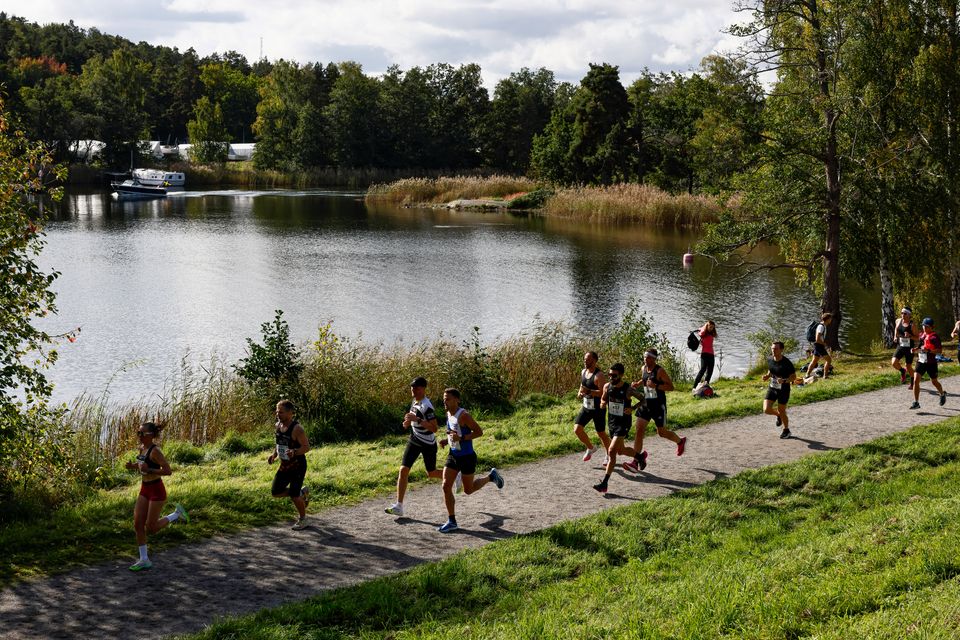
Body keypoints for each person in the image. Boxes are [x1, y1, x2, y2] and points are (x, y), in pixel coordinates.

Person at [437, 388, 504, 533]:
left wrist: (461, 438)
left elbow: (479, 432)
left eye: (448, 399)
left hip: (467, 457)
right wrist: (446, 440)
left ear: (457, 400)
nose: (445, 402)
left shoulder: (464, 416)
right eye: (444, 399)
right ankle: (452, 520)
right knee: (445, 486)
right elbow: (453, 433)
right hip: (453, 455)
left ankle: (491, 477)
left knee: (468, 490)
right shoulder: (448, 413)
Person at [125, 422, 189, 572]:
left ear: (151, 435)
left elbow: (168, 471)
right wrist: (132, 466)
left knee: (151, 528)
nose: (139, 436)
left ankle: (177, 514)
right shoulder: (141, 448)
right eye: (138, 433)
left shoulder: (155, 451)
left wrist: (151, 469)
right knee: (137, 524)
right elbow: (142, 465)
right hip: (144, 489)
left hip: (157, 490)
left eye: (142, 434)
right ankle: (144, 559)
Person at [386, 377, 442, 517]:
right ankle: (399, 506)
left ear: (423, 389)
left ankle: (455, 474)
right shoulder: (415, 401)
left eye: (416, 388)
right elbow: (413, 417)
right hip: (415, 440)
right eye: (412, 388)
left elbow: (434, 428)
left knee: (432, 473)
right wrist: (407, 423)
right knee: (403, 470)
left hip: (428, 443)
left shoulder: (427, 406)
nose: (413, 390)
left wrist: (417, 420)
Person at [622, 349, 684, 474]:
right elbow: (645, 380)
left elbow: (671, 387)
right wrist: (637, 383)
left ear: (654, 359)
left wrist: (656, 386)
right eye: (645, 357)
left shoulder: (659, 371)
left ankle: (680, 441)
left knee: (661, 432)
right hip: (646, 404)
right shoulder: (643, 368)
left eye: (649, 358)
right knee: (639, 430)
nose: (646, 359)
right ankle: (636, 460)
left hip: (658, 406)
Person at [593, 363, 643, 494]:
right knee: (621, 451)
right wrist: (603, 404)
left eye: (614, 375)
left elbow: (644, 399)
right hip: (612, 423)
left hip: (624, 423)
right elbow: (603, 399)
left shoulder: (628, 389)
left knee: (612, 450)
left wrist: (632, 408)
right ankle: (640, 456)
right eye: (609, 375)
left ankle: (604, 483)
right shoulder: (607, 386)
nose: (611, 377)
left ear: (621, 375)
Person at [267, 399, 311, 530]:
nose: (277, 414)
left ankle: (303, 519)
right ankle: (302, 494)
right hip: (285, 465)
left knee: (293, 494)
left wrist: (295, 452)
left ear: (290, 413)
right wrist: (274, 455)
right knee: (275, 492)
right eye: (276, 411)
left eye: (281, 412)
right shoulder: (277, 426)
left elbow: (306, 447)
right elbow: (279, 443)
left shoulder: (297, 429)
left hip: (298, 465)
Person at [573, 351, 610, 463]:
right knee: (577, 429)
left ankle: (609, 455)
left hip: (598, 408)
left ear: (594, 361)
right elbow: (582, 385)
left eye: (588, 359)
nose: (585, 361)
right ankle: (590, 447)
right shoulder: (583, 371)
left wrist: (590, 391)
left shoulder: (599, 375)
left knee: (601, 433)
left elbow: (603, 393)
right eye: (584, 359)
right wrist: (580, 393)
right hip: (587, 406)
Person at [762, 341, 797, 439]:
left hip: (784, 389)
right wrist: (767, 376)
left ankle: (786, 430)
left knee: (782, 410)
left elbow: (793, 377)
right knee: (766, 409)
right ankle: (778, 415)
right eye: (772, 348)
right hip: (772, 388)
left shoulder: (787, 363)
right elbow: (771, 369)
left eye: (776, 349)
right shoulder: (769, 359)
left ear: (781, 350)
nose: (773, 350)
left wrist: (785, 380)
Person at [910, 318, 947, 409]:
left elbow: (939, 351)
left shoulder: (935, 337)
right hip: (921, 361)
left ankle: (942, 394)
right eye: (923, 326)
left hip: (931, 363)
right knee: (915, 380)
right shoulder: (922, 335)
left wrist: (929, 351)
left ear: (931, 327)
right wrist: (915, 349)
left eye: (926, 326)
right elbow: (921, 346)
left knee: (934, 381)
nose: (924, 328)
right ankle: (916, 402)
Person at [891, 307, 918, 387]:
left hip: (909, 348)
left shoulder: (912, 325)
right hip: (900, 346)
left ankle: (913, 381)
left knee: (908, 366)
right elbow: (896, 329)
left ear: (909, 315)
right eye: (902, 313)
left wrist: (910, 336)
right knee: (894, 363)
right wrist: (895, 337)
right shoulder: (898, 321)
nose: (903, 315)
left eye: (905, 313)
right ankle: (902, 371)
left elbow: (917, 338)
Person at [805, 312, 833, 379]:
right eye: (830, 319)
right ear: (828, 319)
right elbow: (817, 339)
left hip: (817, 345)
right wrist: (824, 344)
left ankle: (807, 375)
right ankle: (825, 376)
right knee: (829, 360)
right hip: (819, 346)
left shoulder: (822, 326)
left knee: (814, 361)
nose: (831, 320)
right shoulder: (821, 326)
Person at [693, 320, 717, 389]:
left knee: (710, 372)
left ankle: (706, 387)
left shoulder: (712, 333)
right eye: (710, 326)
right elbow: (700, 331)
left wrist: (708, 327)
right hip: (704, 354)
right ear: (707, 326)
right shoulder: (703, 333)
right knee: (702, 370)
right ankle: (694, 388)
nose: (711, 328)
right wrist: (705, 325)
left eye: (712, 327)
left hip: (711, 355)